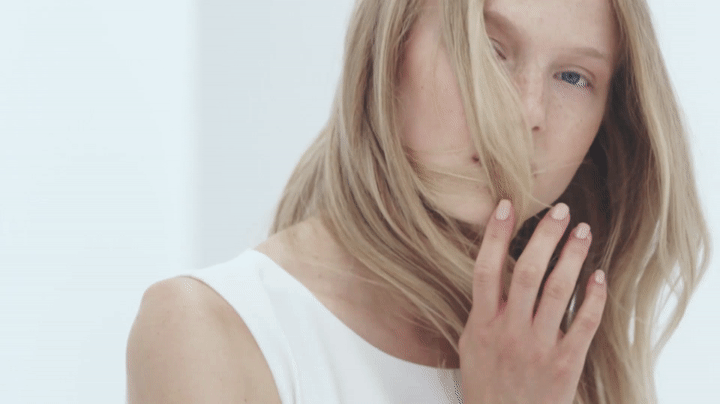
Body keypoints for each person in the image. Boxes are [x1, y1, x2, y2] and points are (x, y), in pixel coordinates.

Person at [125, 0, 711, 402]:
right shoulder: (208, 331)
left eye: (574, 77)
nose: (526, 112)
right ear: (391, 43)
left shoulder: (561, 359)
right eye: (488, 47)